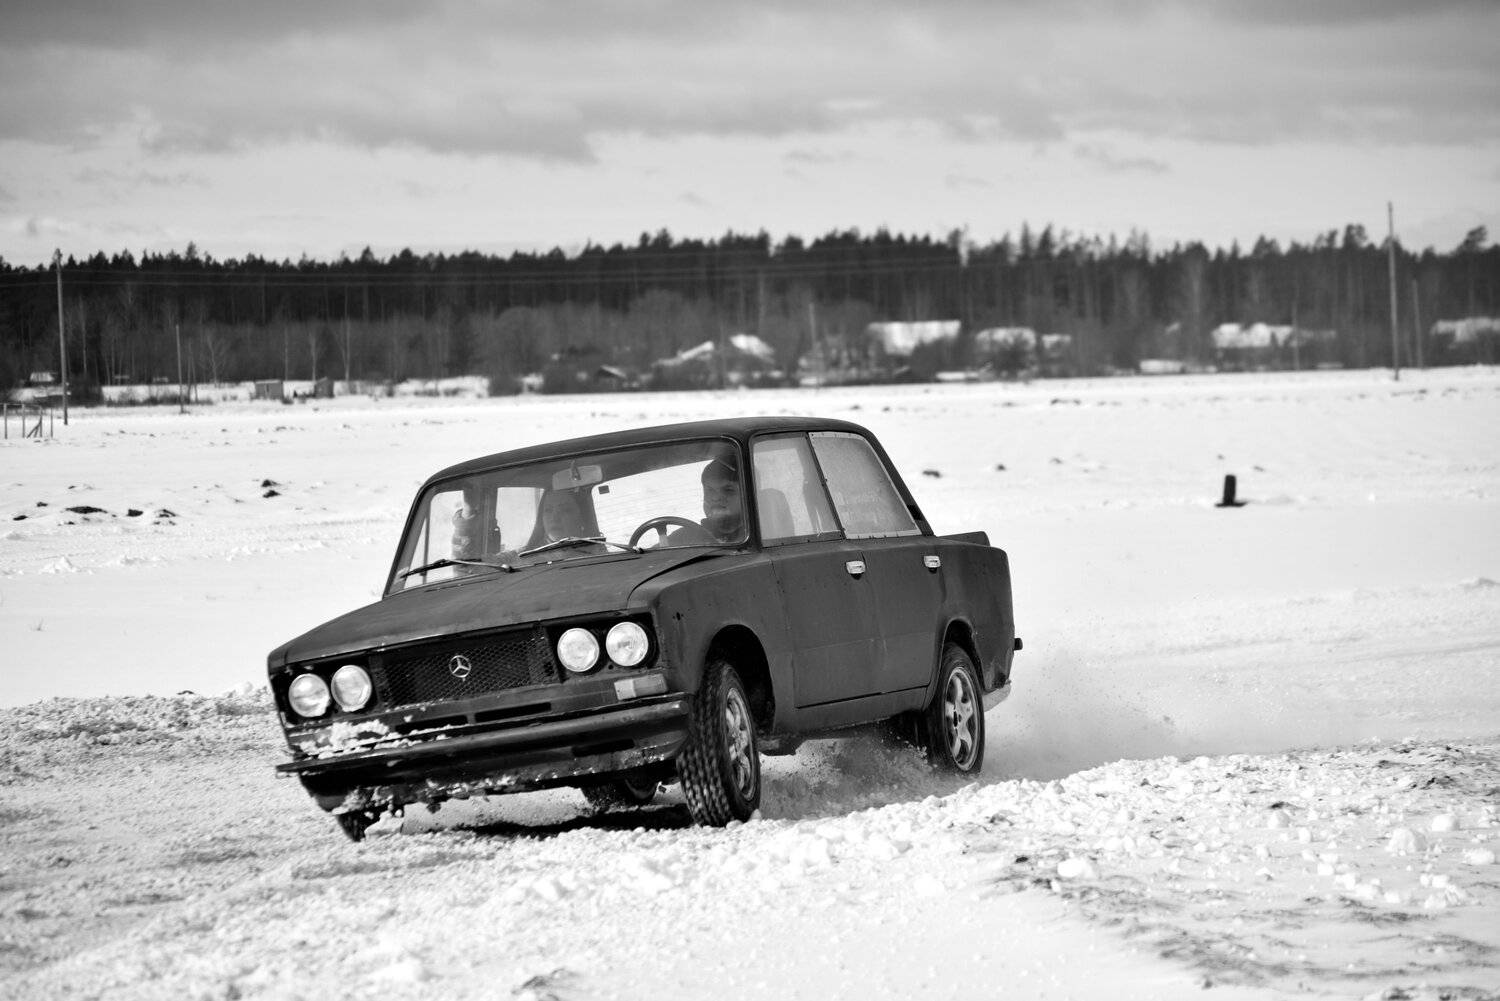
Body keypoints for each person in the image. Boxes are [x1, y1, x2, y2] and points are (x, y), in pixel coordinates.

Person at [668, 453, 746, 546]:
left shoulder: (760, 533)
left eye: (728, 490)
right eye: (710, 490)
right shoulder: (683, 538)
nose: (715, 498)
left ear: (747, 496)